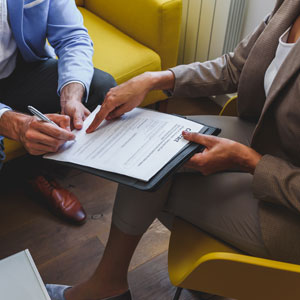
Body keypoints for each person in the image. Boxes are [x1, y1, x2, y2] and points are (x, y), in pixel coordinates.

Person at [47, 0, 300, 299]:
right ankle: (110, 282)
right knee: (148, 153)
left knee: (151, 181)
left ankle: (111, 286)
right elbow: (236, 66)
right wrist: (155, 79)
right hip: (273, 141)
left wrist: (251, 162)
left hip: (289, 207)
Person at [0, 0, 116, 224]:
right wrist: (12, 122)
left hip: (19, 70)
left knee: (101, 87)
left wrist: (71, 94)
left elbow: (72, 37)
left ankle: (35, 173)